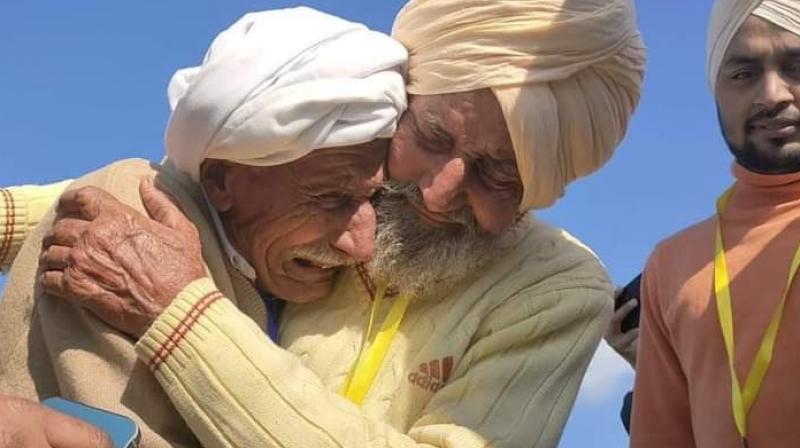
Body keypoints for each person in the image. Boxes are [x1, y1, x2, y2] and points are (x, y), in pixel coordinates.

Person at [0, 1, 647, 446]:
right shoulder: (327, 173)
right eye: (431, 134)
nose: (439, 191)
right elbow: (104, 202)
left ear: (547, 188)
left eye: (499, 175)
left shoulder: (555, 293)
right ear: (404, 94)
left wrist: (184, 318)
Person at [0, 8, 407, 447]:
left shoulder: (261, 263)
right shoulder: (127, 217)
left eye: (374, 199)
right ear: (221, 180)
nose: (361, 245)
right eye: (330, 199)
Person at [631, 1, 800, 446]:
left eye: (795, 66)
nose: (773, 94)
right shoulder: (672, 265)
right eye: (743, 74)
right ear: (715, 89)